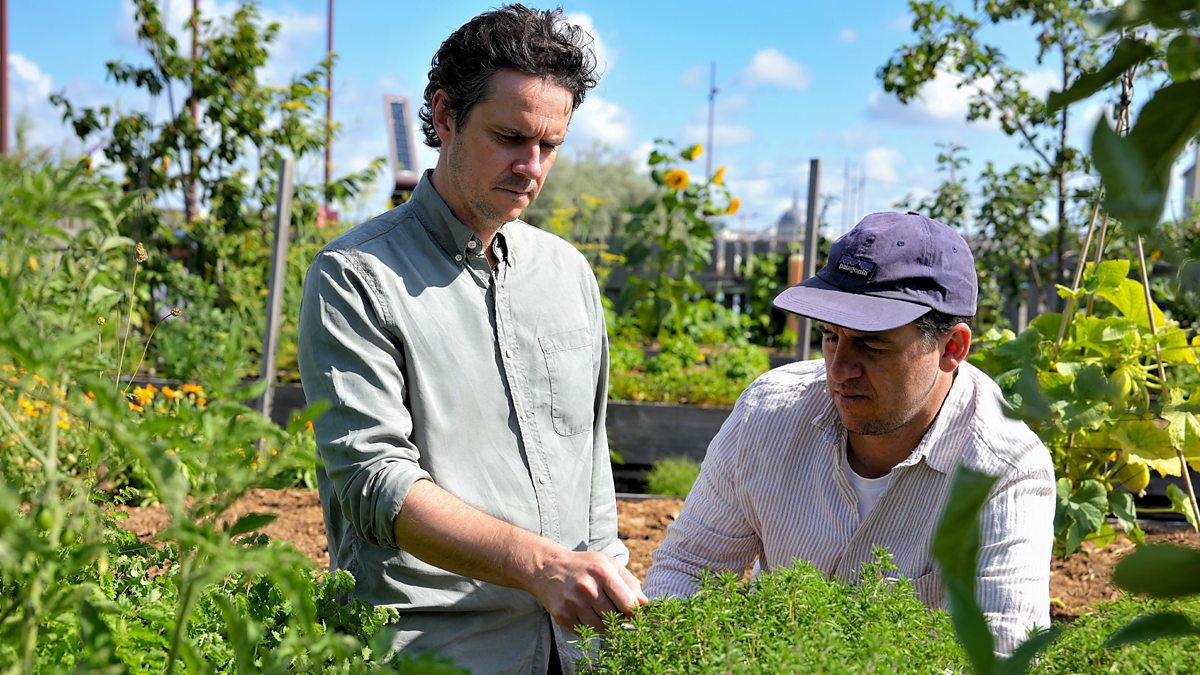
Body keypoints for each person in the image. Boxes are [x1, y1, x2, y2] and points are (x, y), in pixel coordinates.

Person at [297, 6, 645, 673]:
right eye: (510, 137)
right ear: (446, 116)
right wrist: (540, 566)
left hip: (574, 648)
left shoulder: (567, 273)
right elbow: (375, 481)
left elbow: (589, 460)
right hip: (433, 649)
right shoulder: (357, 275)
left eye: (550, 145)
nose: (531, 166)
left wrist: (610, 614)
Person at [642, 211, 1055, 655]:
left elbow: (1000, 652)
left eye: (872, 344)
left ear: (951, 347)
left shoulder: (1002, 469)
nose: (839, 370)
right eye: (829, 336)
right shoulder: (769, 412)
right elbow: (689, 568)